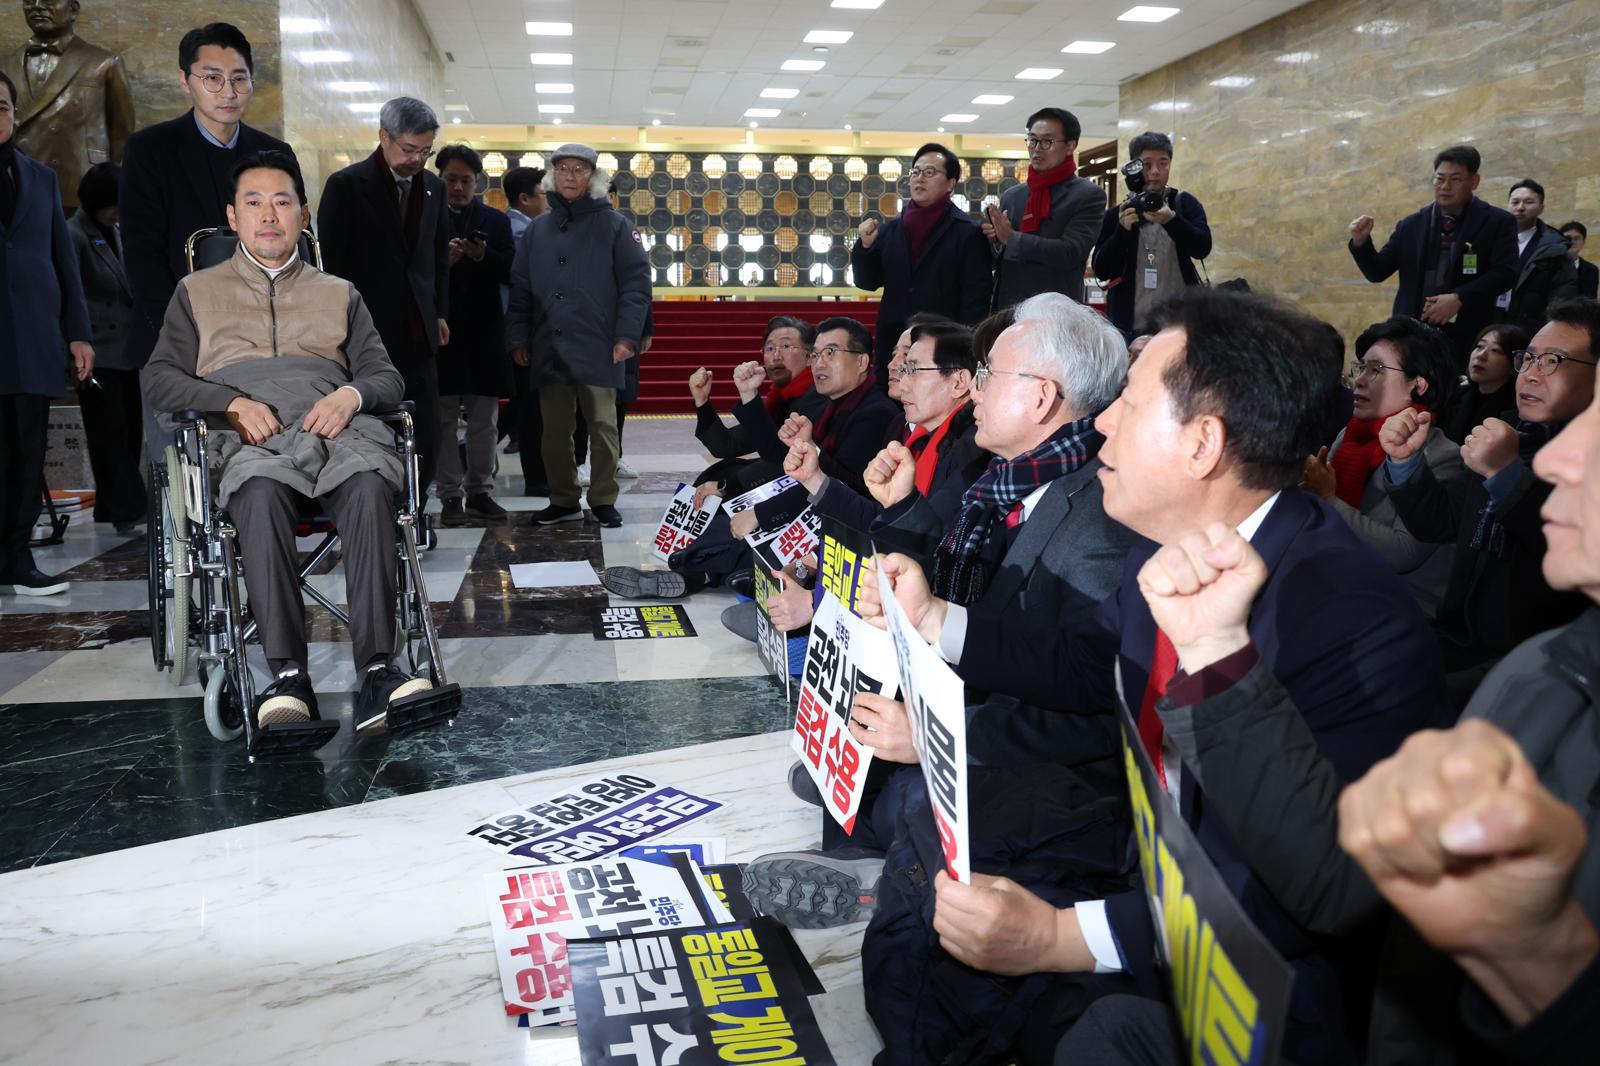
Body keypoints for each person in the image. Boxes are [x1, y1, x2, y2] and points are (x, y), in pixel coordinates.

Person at [869, 287, 1448, 1063]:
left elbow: (1308, 895)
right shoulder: (1169, 541)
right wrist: (937, 618)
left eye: (1130, 406)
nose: (1101, 421)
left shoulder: (1352, 621)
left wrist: (1057, 937)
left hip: (1257, 996)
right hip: (1150, 872)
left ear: (1203, 444)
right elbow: (1092, 663)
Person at [1108, 366, 1600, 1062]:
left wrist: (1536, 957)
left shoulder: (1358, 608)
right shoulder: (1545, 667)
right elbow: (1342, 887)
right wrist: (1216, 652)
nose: (1555, 456)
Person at [142, 150, 432, 733]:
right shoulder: (195, 292)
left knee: (373, 486)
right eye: (254, 203)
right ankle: (288, 678)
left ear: (303, 215)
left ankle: (378, 669)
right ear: (233, 216)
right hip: (247, 433)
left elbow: (384, 375)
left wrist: (351, 396)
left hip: (336, 425)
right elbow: (159, 377)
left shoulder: (339, 292)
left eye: (282, 203)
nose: (269, 215)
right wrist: (229, 402)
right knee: (258, 493)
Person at [1380, 298, 1597, 698]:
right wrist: (1407, 463)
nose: (1530, 375)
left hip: (1535, 668)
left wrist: (1505, 474)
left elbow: (1583, 559)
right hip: (1458, 638)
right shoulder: (1509, 435)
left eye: (1553, 361)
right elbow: (1440, 523)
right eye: (1528, 359)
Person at [120, 23, 295, 422]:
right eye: (212, 79)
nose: (228, 92)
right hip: (179, 341)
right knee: (184, 471)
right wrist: (186, 333)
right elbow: (142, 252)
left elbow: (293, 242)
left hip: (262, 345)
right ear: (185, 81)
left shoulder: (274, 152)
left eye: (239, 79)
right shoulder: (150, 150)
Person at [505, 143, 650, 529]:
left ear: (593, 177)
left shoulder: (617, 226)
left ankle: (603, 498)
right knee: (553, 431)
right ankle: (563, 498)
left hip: (601, 345)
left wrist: (627, 337)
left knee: (603, 427)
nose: (570, 175)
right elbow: (520, 288)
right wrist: (518, 337)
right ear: (553, 175)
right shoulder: (538, 230)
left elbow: (636, 286)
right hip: (549, 345)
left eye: (579, 169)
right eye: (564, 168)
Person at [317, 96, 450, 511]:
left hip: (419, 331)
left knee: (426, 427)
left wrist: (440, 312)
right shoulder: (347, 185)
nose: (417, 159)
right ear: (383, 137)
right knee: (374, 423)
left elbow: (436, 257)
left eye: (426, 151)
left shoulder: (434, 187)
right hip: (366, 330)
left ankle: (415, 504)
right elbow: (332, 267)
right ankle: (377, 509)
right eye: (409, 149)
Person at [1300, 317, 1462, 618]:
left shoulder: (1445, 456)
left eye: (1375, 370)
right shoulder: (1351, 436)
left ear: (1418, 385)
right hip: (1339, 583)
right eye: (1360, 367)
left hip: (1397, 608)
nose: (1358, 380)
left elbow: (1403, 554)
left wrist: (1327, 500)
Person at [0, 68, 92, 595]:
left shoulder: (40, 178)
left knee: (27, 455)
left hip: (32, 339)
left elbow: (63, 260)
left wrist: (77, 333)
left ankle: (17, 559)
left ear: (14, 114)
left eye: (4, 106)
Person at [1348, 145, 1518, 362]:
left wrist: (1460, 297)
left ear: (1474, 181)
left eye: (1455, 179)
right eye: (1439, 179)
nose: (1445, 187)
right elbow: (1377, 271)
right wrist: (1361, 242)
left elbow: (1506, 273)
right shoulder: (1411, 224)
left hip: (1465, 335)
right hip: (1410, 335)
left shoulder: (1497, 222)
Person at [850, 142, 991, 383]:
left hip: (941, 345)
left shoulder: (967, 232)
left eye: (930, 172)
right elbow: (867, 282)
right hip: (893, 342)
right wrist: (865, 246)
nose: (919, 179)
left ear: (950, 183)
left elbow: (975, 300)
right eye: (915, 172)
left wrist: (964, 349)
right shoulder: (891, 229)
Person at [433, 144, 513, 527]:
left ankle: (480, 491)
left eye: (466, 180)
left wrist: (482, 256)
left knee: (485, 419)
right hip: (441, 331)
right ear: (439, 178)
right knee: (444, 419)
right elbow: (408, 272)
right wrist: (441, 264)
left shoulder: (495, 222)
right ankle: (449, 496)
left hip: (484, 331)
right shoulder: (424, 218)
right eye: (452, 179)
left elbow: (513, 270)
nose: (459, 187)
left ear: (477, 181)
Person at [68, 160, 146, 533]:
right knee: (109, 433)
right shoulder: (75, 235)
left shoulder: (115, 231)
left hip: (126, 351)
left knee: (130, 430)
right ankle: (127, 508)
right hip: (96, 351)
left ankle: (110, 506)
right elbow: (71, 295)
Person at [4, 0, 133, 214]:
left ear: (73, 9)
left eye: (49, 1)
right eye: (29, 1)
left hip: (79, 182)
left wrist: (106, 180)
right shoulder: (5, 64)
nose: (37, 6)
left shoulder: (104, 62)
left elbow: (122, 132)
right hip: (19, 182)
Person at [1090, 131, 1212, 337]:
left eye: (1163, 163)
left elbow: (1202, 248)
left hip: (1180, 324)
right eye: (1147, 164)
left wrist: (1172, 220)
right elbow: (1101, 270)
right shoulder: (1117, 214)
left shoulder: (1184, 204)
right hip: (1130, 324)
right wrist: (1122, 231)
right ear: (1134, 168)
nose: (1155, 171)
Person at [985, 107, 1105, 311]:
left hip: (1056, 309)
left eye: (1047, 141)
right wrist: (995, 240)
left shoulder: (1087, 195)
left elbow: (1071, 252)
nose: (1037, 148)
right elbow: (1000, 258)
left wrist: (1012, 238)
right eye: (1032, 140)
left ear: (1070, 146)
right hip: (1009, 306)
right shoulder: (1013, 195)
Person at [499, 164, 547, 491]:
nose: (548, 201)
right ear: (525, 198)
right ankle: (538, 479)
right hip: (527, 331)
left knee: (524, 404)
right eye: (544, 194)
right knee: (531, 407)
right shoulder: (522, 232)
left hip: (521, 329)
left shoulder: (519, 226)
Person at [1502, 179, 1578, 335]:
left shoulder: (1555, 248)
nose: (1520, 208)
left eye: (1529, 202)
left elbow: (1562, 298)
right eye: (1515, 202)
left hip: (1529, 330)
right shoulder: (1494, 239)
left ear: (1541, 208)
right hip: (1490, 324)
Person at [1437, 322, 1526, 443]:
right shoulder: (1456, 395)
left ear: (1514, 364)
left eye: (1495, 350)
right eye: (1479, 346)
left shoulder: (1515, 412)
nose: (1481, 355)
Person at [1560, 219, 1598, 299]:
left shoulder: (1591, 270)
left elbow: (1590, 299)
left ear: (1583, 242)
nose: (1572, 242)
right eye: (1568, 238)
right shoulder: (1549, 266)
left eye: (1576, 238)